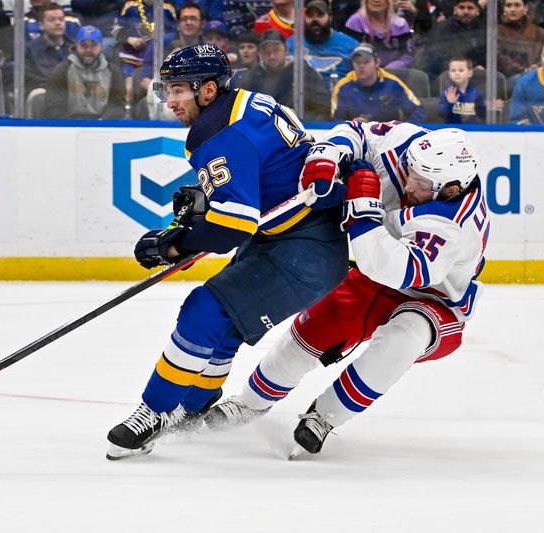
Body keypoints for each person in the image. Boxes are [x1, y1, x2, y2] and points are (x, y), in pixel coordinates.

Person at [106, 43, 350, 459]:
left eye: (179, 89)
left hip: (302, 250)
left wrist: (174, 244)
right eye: (167, 89)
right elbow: (263, 172)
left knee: (204, 309)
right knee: (227, 322)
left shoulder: (218, 134)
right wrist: (209, 199)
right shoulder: (248, 103)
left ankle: (155, 411)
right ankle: (196, 402)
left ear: (208, 90)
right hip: (302, 237)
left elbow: (233, 227)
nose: (170, 101)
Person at [205, 124, 491, 457]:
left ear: (451, 189)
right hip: (377, 279)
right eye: (411, 172)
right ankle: (251, 403)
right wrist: (331, 153)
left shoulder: (455, 224)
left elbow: (396, 268)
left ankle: (324, 417)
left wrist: (362, 210)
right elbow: (359, 130)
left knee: (404, 336)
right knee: (314, 328)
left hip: (435, 302)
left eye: (422, 183)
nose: (409, 183)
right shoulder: (412, 148)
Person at [234, 29, 331, 121]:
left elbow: (323, 109)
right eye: (266, 51)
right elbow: (240, 114)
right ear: (259, 53)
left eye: (276, 50)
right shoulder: (250, 79)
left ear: (286, 50)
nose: (272, 56)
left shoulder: (304, 73)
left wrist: (304, 127)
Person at [43, 25, 126, 119]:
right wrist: (74, 127)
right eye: (84, 45)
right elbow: (54, 107)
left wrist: (101, 123)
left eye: (93, 45)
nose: (88, 50)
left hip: (102, 127)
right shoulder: (62, 71)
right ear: (76, 45)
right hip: (69, 128)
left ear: (101, 46)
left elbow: (118, 105)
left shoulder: (113, 72)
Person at [332, 43, 426, 122]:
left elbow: (418, 110)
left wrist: (403, 131)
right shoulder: (343, 86)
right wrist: (351, 126)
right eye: (357, 62)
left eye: (366, 62)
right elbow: (335, 120)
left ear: (377, 63)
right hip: (357, 136)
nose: (361, 66)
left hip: (388, 136)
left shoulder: (393, 83)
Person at [285, 0, 359, 90]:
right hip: (302, 100)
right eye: (310, 16)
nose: (315, 20)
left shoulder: (350, 45)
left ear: (330, 18)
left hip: (340, 100)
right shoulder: (292, 44)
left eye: (320, 15)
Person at [418, 0, 486, 79]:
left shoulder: (484, 30)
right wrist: (466, 69)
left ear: (477, 11)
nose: (466, 11)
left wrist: (483, 67)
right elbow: (437, 59)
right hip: (447, 77)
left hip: (477, 77)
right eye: (461, 8)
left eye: (470, 8)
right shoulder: (442, 29)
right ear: (455, 10)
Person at [344, 0, 414, 69]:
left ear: (388, 2)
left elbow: (407, 56)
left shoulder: (401, 24)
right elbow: (349, 54)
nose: (376, 1)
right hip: (363, 71)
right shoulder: (355, 22)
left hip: (395, 73)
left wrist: (387, 72)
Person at [497, 0, 544, 90]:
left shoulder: (541, 33)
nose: (512, 9)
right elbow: (499, 57)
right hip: (508, 80)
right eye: (508, 5)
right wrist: (523, 70)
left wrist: (538, 66)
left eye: (517, 5)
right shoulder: (497, 31)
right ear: (504, 9)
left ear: (526, 9)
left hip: (537, 77)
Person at [25, 2, 75, 91]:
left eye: (61, 19)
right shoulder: (29, 50)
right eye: (51, 20)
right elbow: (29, 80)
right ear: (41, 25)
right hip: (44, 94)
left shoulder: (74, 49)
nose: (58, 23)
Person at [438, 56, 487, 123]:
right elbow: (441, 114)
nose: (456, 73)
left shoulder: (476, 93)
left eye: (461, 70)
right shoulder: (446, 93)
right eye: (453, 70)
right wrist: (450, 103)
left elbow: (482, 114)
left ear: (470, 73)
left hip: (473, 131)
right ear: (449, 74)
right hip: (453, 130)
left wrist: (489, 107)